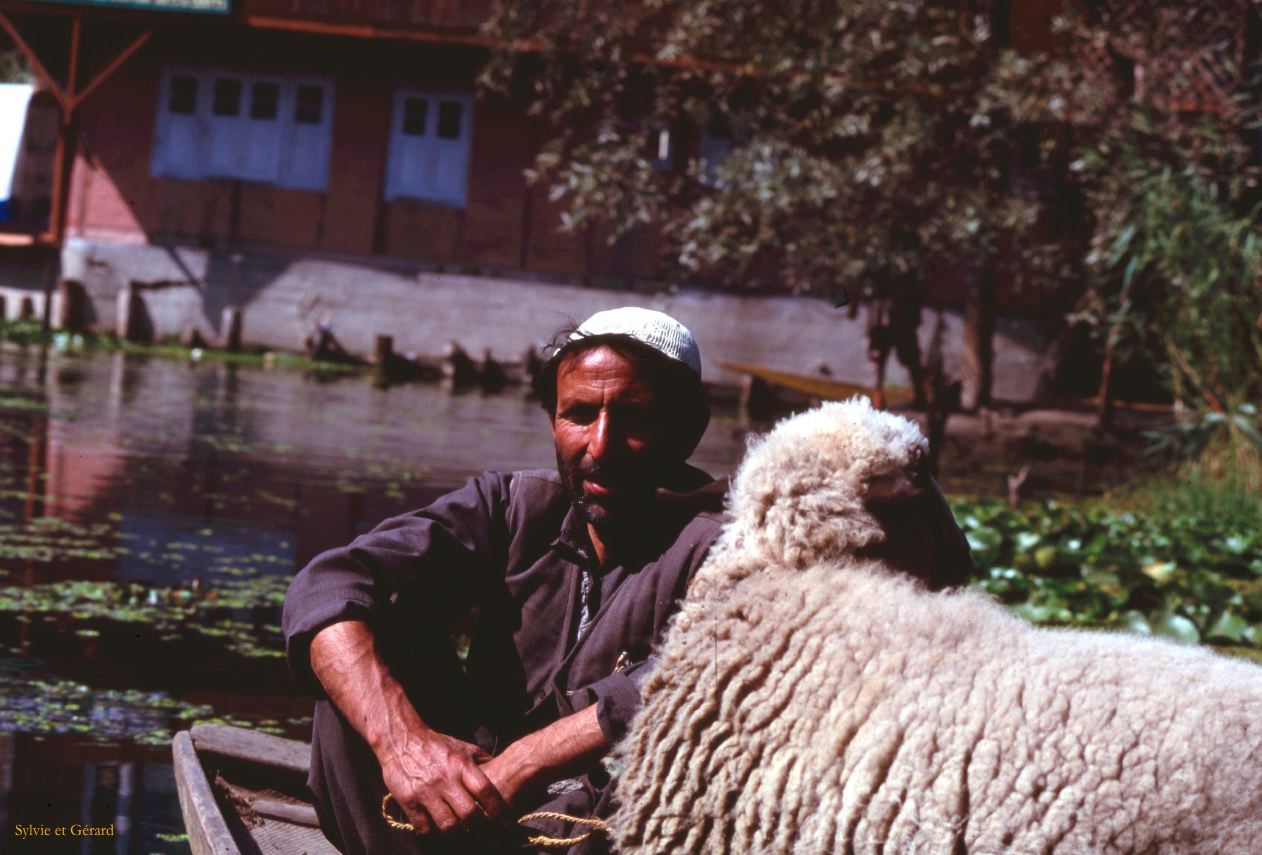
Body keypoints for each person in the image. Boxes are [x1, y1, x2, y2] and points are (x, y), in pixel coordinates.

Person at [282, 307, 726, 854]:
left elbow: (718, 670)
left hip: (590, 826)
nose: (600, 446)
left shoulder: (726, 543)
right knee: (363, 648)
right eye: (579, 415)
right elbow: (331, 580)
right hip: (465, 803)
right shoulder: (510, 506)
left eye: (635, 417)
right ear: (552, 420)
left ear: (686, 431)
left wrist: (530, 759)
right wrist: (403, 743)